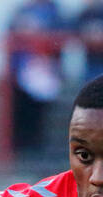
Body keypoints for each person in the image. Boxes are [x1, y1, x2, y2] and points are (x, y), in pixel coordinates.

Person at [9, 0, 65, 152]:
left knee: (40, 109)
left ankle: (37, 144)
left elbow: (59, 37)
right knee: (22, 108)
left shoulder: (53, 13)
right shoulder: (21, 11)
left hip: (44, 68)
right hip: (24, 68)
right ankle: (23, 144)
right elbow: (12, 35)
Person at [74, 0, 103, 83]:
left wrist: (100, 34)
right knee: (89, 79)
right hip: (89, 54)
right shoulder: (85, 12)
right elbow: (78, 29)